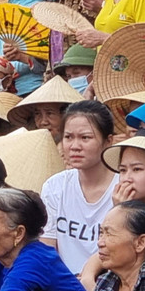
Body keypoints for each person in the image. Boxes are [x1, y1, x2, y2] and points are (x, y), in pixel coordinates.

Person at [42, 101, 120, 275]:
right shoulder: (55, 186)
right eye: (68, 137)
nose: (74, 146)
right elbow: (48, 248)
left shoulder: (123, 188)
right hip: (63, 286)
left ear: (108, 141)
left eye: (85, 138)